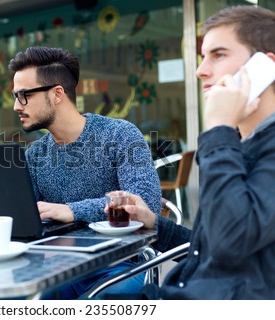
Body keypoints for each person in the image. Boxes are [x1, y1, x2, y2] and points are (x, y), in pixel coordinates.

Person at [109, 5, 275, 299]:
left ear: (266, 66)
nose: (200, 71)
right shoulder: (244, 144)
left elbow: (231, 239)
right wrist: (156, 225)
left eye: (218, 55)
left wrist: (219, 128)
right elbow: (211, 253)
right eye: (202, 57)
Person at [8, 46, 161, 298]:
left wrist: (72, 210)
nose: (16, 106)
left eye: (24, 95)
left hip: (117, 266)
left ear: (57, 94)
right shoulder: (35, 154)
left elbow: (146, 204)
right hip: (56, 267)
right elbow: (28, 219)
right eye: (15, 95)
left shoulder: (120, 134)